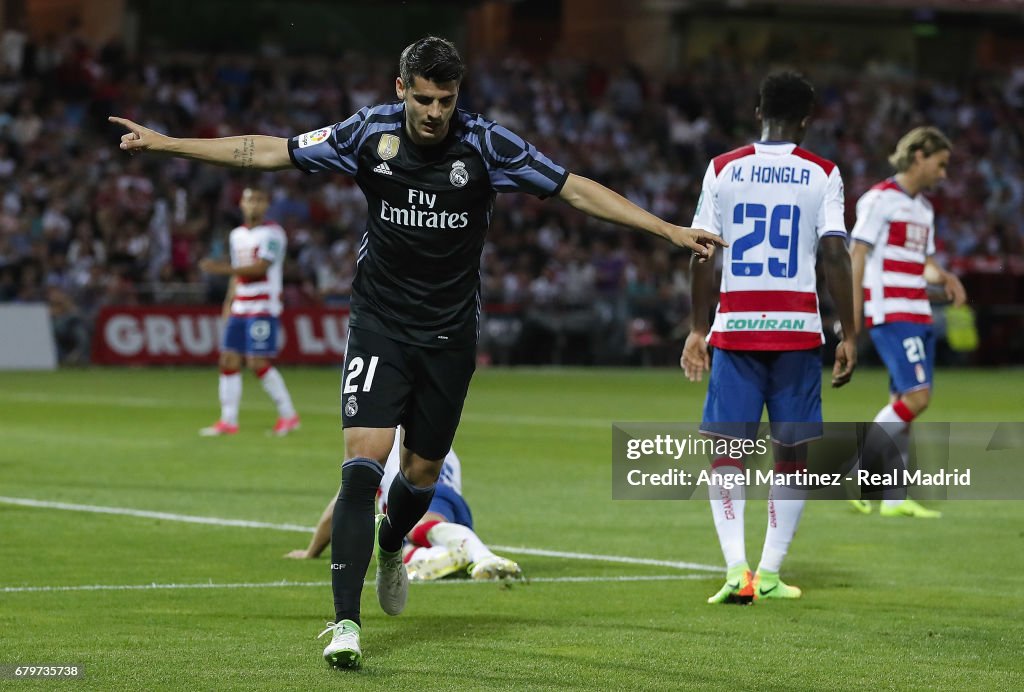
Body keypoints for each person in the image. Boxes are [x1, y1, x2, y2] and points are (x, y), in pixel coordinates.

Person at [110, 36, 725, 669]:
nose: (435, 112)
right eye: (425, 98)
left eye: (447, 100)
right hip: (378, 323)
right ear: (400, 88)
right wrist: (166, 142)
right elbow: (269, 150)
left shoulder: (487, 144)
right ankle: (346, 623)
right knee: (361, 464)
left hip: (450, 336)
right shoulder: (365, 134)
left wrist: (669, 230)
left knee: (422, 475)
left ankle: (392, 539)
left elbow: (573, 189)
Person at [681, 71, 857, 605]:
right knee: (793, 456)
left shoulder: (723, 168)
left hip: (735, 330)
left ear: (758, 112)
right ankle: (772, 571)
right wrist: (849, 332)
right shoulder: (823, 173)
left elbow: (702, 251)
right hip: (798, 333)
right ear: (806, 120)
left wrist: (696, 327)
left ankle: (737, 570)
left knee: (727, 454)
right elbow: (833, 254)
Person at [848, 127, 966, 518]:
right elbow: (858, 252)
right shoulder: (880, 199)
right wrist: (855, 308)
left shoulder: (924, 210)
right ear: (918, 156)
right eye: (941, 164)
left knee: (903, 403)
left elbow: (924, 264)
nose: (943, 174)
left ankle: (894, 499)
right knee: (919, 398)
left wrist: (944, 277)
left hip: (918, 310)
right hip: (891, 311)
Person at [286, 427, 522, 583]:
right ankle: (438, 555)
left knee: (416, 527)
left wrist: (311, 552)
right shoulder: (426, 429)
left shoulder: (379, 440)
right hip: (447, 507)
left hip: (428, 497)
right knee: (391, 547)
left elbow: (342, 502)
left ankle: (481, 555)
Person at [195, 186, 300, 437]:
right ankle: (228, 421)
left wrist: (220, 270)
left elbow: (260, 268)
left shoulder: (273, 234)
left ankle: (289, 416)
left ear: (267, 205)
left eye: (260, 200)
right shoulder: (237, 235)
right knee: (228, 359)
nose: (254, 204)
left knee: (257, 361)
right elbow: (239, 272)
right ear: (241, 203)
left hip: (263, 305)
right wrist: (228, 303)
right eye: (250, 199)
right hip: (241, 305)